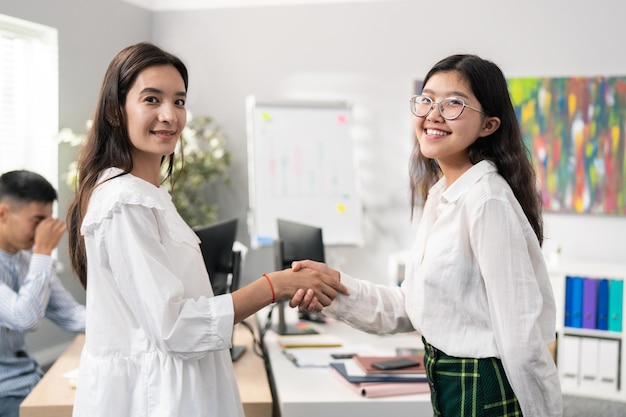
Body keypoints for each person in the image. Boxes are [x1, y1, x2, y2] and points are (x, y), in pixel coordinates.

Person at [66, 42, 347, 417]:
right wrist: (275, 286)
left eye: (179, 101)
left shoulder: (149, 195)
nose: (169, 115)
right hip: (155, 400)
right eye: (152, 99)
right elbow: (174, 328)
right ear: (116, 112)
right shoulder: (125, 201)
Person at [294, 54, 562, 417]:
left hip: (484, 390)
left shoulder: (487, 201)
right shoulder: (442, 194)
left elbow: (522, 339)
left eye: (454, 103)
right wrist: (336, 287)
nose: (433, 114)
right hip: (449, 385)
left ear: (489, 125)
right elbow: (415, 304)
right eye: (427, 99)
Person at [0, 170, 86, 417]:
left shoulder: (28, 257)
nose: (44, 231)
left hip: (28, 378)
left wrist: (130, 327)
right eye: (37, 221)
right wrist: (44, 252)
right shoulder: (38, 256)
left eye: (49, 221)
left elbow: (70, 313)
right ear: (3, 213)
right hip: (4, 391)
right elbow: (24, 318)